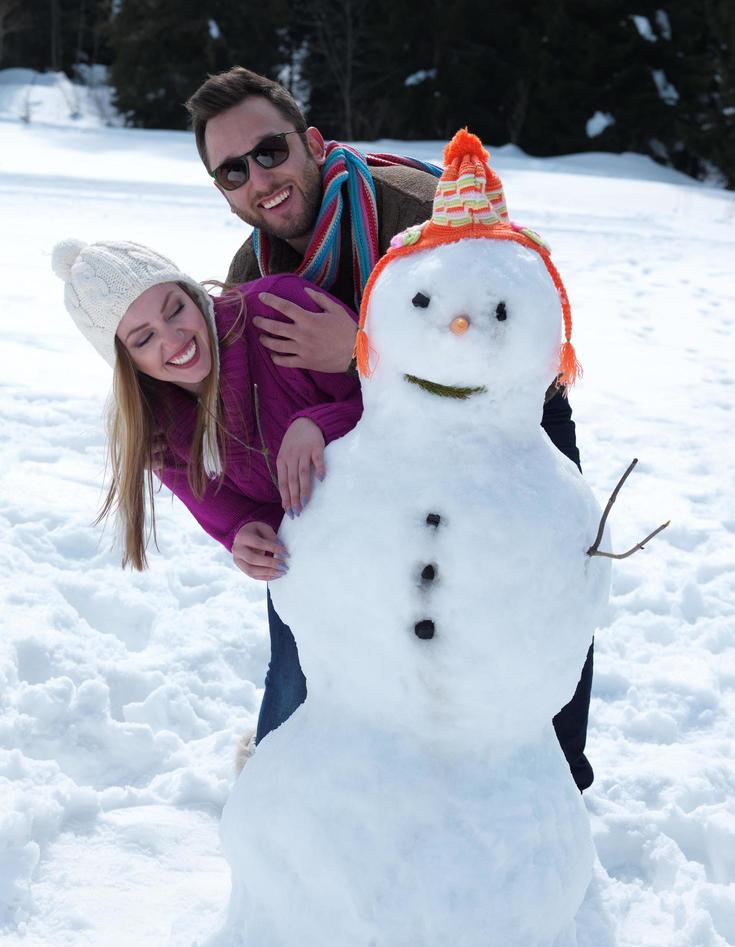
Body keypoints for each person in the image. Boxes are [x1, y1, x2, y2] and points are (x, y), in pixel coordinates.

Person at [186, 67, 596, 790]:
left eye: (271, 151)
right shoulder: (250, 269)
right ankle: (291, 770)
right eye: (232, 170)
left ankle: (551, 779)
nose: (259, 178)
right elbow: (244, 424)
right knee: (312, 570)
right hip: (364, 436)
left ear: (311, 142)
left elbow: (509, 341)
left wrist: (358, 350)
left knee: (535, 576)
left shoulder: (420, 217)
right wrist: (242, 523)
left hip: (503, 415)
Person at [51, 240, 363, 753]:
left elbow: (400, 399)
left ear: (192, 292)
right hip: (317, 563)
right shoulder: (157, 426)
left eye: (175, 308)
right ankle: (278, 798)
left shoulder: (276, 313)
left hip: (408, 528)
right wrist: (243, 532)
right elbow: (221, 506)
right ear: (125, 361)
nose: (174, 339)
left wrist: (320, 423)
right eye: (144, 337)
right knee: (292, 693)